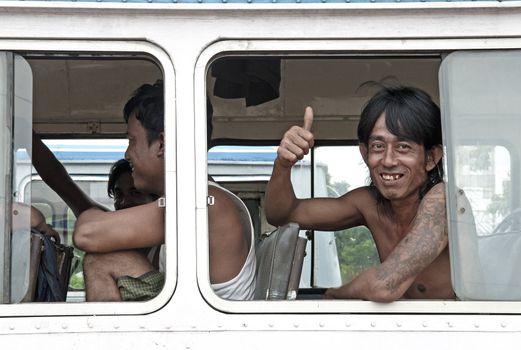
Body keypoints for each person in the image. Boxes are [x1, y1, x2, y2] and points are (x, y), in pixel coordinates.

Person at [265, 86, 453, 302]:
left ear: (431, 157)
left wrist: (333, 295)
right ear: (365, 153)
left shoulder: (443, 200)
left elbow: (384, 286)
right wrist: (283, 164)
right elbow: (281, 215)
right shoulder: (369, 202)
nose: (388, 161)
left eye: (403, 147)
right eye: (378, 146)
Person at [73, 81, 256, 301]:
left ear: (161, 144)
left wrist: (90, 216)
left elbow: (86, 233)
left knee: (100, 261)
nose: (127, 154)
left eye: (132, 140)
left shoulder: (204, 203)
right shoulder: (190, 199)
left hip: (205, 333)